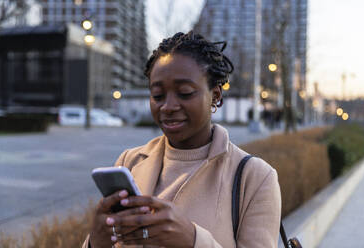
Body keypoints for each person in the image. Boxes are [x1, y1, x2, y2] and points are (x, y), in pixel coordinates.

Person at [83, 31, 281, 248]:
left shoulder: (256, 177)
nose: (168, 106)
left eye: (185, 93)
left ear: (215, 96)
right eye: (158, 95)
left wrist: (192, 240)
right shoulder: (129, 162)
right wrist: (95, 242)